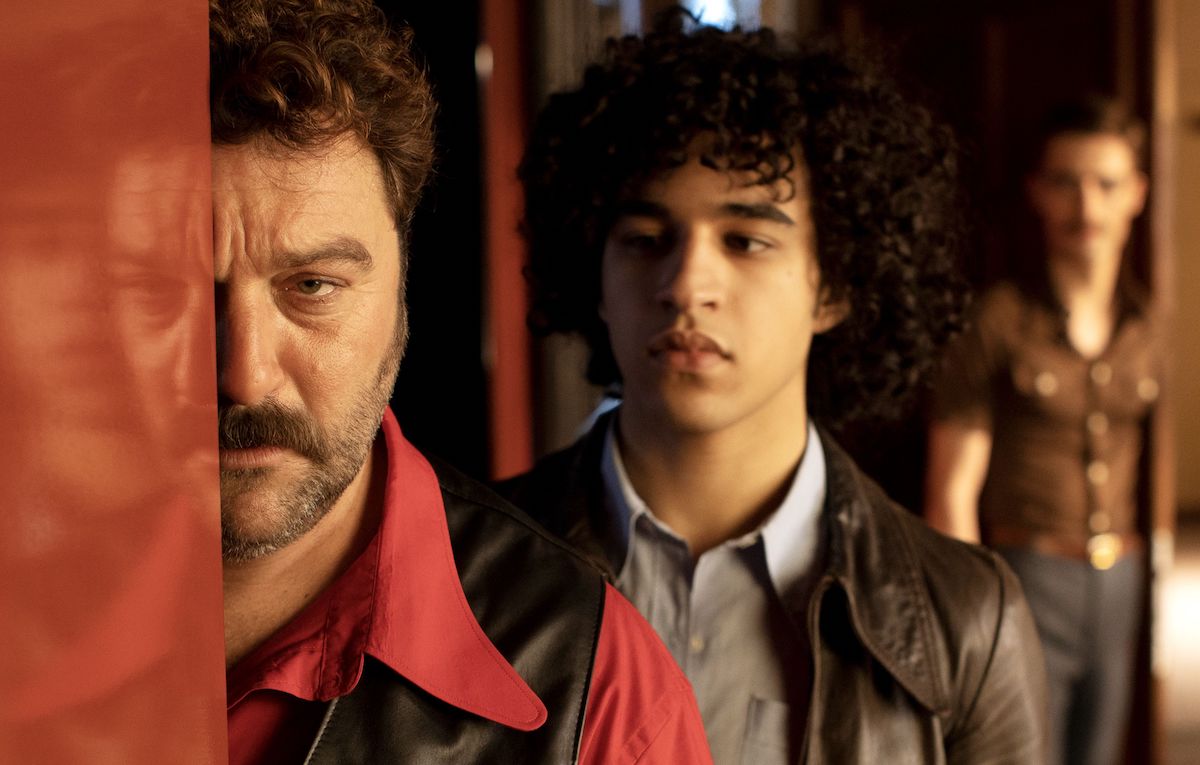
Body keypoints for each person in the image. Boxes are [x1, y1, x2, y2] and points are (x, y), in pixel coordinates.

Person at [502, 15, 1047, 765]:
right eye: (645, 240)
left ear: (835, 285)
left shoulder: (968, 620)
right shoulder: (471, 567)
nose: (687, 285)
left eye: (746, 240)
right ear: (594, 274)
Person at [210, 2, 712, 763]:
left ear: (402, 294)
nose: (244, 375)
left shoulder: (601, 699)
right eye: (170, 294)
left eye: (312, 285)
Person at [926, 96, 1159, 765]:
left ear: (1136, 194)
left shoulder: (1148, 327)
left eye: (1106, 183)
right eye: (1067, 182)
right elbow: (951, 491)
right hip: (1025, 577)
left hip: (1121, 578)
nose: (1087, 206)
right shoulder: (997, 321)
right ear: (1037, 192)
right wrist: (974, 619)